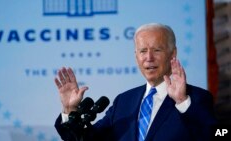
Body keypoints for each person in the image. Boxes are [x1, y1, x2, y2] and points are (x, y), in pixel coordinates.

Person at [54, 23, 217, 141]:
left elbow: (214, 134)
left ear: (172, 53)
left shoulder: (196, 98)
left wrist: (182, 102)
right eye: (143, 51)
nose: (149, 58)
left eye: (157, 50)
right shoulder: (123, 101)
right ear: (136, 56)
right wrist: (70, 110)